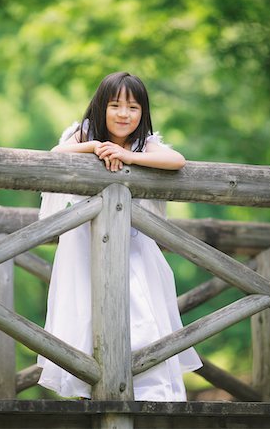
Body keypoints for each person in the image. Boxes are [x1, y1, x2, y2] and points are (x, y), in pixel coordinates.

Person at [37, 72, 202, 401]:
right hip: (85, 247)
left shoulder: (144, 144)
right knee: (85, 312)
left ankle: (147, 390)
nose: (124, 114)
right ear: (101, 107)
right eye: (115, 105)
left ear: (143, 113)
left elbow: (177, 161)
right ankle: (90, 389)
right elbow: (56, 154)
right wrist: (94, 147)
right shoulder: (84, 133)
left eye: (133, 107)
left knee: (140, 310)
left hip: (133, 246)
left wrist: (128, 157)